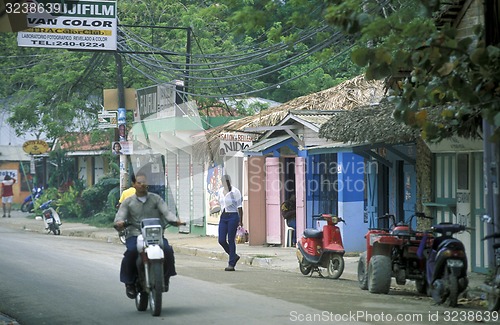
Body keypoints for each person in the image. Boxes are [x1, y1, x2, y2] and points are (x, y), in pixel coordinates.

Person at [114, 171, 182, 299]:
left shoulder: (156, 199)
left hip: (154, 234)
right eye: (139, 182)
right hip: (135, 233)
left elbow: (167, 212)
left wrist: (175, 220)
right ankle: (129, 283)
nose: (142, 185)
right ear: (134, 184)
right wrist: (120, 223)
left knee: (167, 250)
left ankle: (166, 277)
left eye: (144, 182)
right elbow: (120, 216)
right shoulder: (128, 202)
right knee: (132, 251)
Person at [216, 174, 243, 271]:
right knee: (221, 240)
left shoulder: (235, 192)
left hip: (233, 216)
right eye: (224, 182)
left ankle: (231, 263)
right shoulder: (220, 191)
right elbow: (220, 203)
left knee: (231, 239)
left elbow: (239, 207)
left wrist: (240, 220)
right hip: (223, 217)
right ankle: (234, 256)